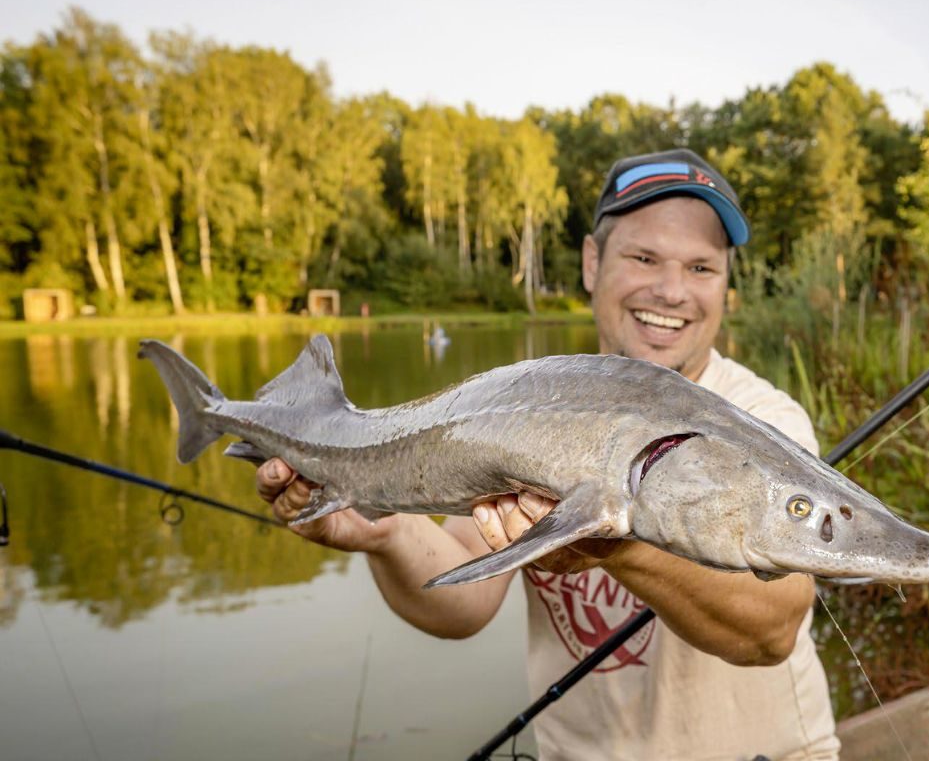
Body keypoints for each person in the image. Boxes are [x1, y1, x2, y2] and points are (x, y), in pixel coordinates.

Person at [257, 149, 839, 760]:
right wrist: (383, 534)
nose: (672, 291)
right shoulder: (522, 403)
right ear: (592, 262)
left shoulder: (763, 420)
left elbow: (773, 628)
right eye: (643, 258)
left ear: (726, 283)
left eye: (701, 267)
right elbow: (464, 599)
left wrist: (611, 541)